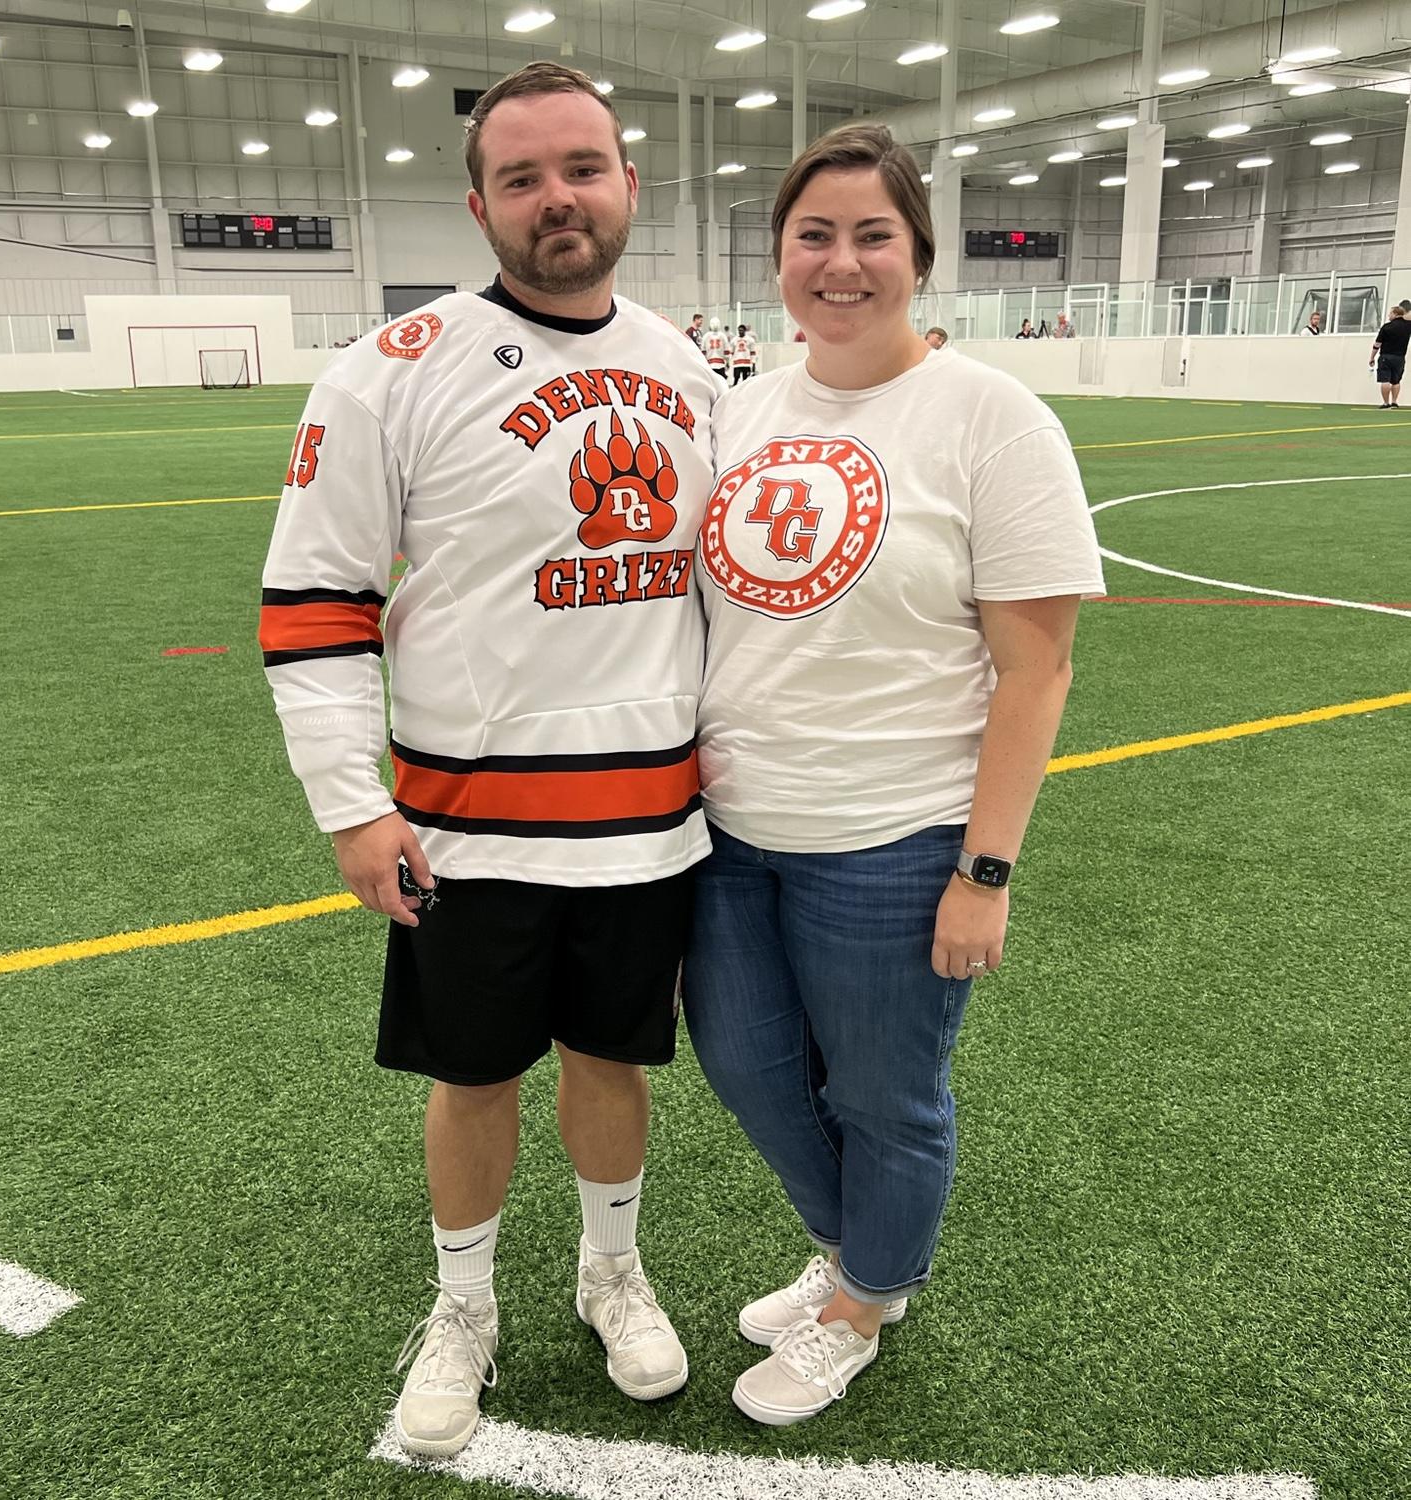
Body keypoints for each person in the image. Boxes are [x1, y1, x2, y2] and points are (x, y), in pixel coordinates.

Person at [259, 61, 719, 1460]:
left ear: (632, 184)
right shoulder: (390, 370)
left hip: (648, 818)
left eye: (582, 167)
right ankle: (464, 1309)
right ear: (479, 205)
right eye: (522, 178)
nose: (556, 198)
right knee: (472, 1078)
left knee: (611, 1062)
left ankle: (610, 1270)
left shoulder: (689, 365)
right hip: (467, 821)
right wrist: (353, 807)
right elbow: (315, 602)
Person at [685, 121, 1105, 1427]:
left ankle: (864, 1298)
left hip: (893, 837)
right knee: (750, 1067)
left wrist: (984, 872)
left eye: (874, 235)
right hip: (727, 831)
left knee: (882, 1094)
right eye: (816, 234)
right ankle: (867, 1251)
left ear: (919, 254)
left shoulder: (992, 417)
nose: (843, 261)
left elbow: (1036, 672)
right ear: (779, 257)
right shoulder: (740, 409)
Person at [1370, 304, 1411, 407]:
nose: (1389, 315)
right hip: (1400, 357)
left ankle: (1385, 402)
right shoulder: (1408, 326)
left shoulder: (1387, 327)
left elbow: (1377, 344)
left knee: (1385, 380)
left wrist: (1372, 357)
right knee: (1396, 380)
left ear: (1395, 314)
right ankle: (1394, 401)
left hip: (1386, 356)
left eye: (1390, 313)